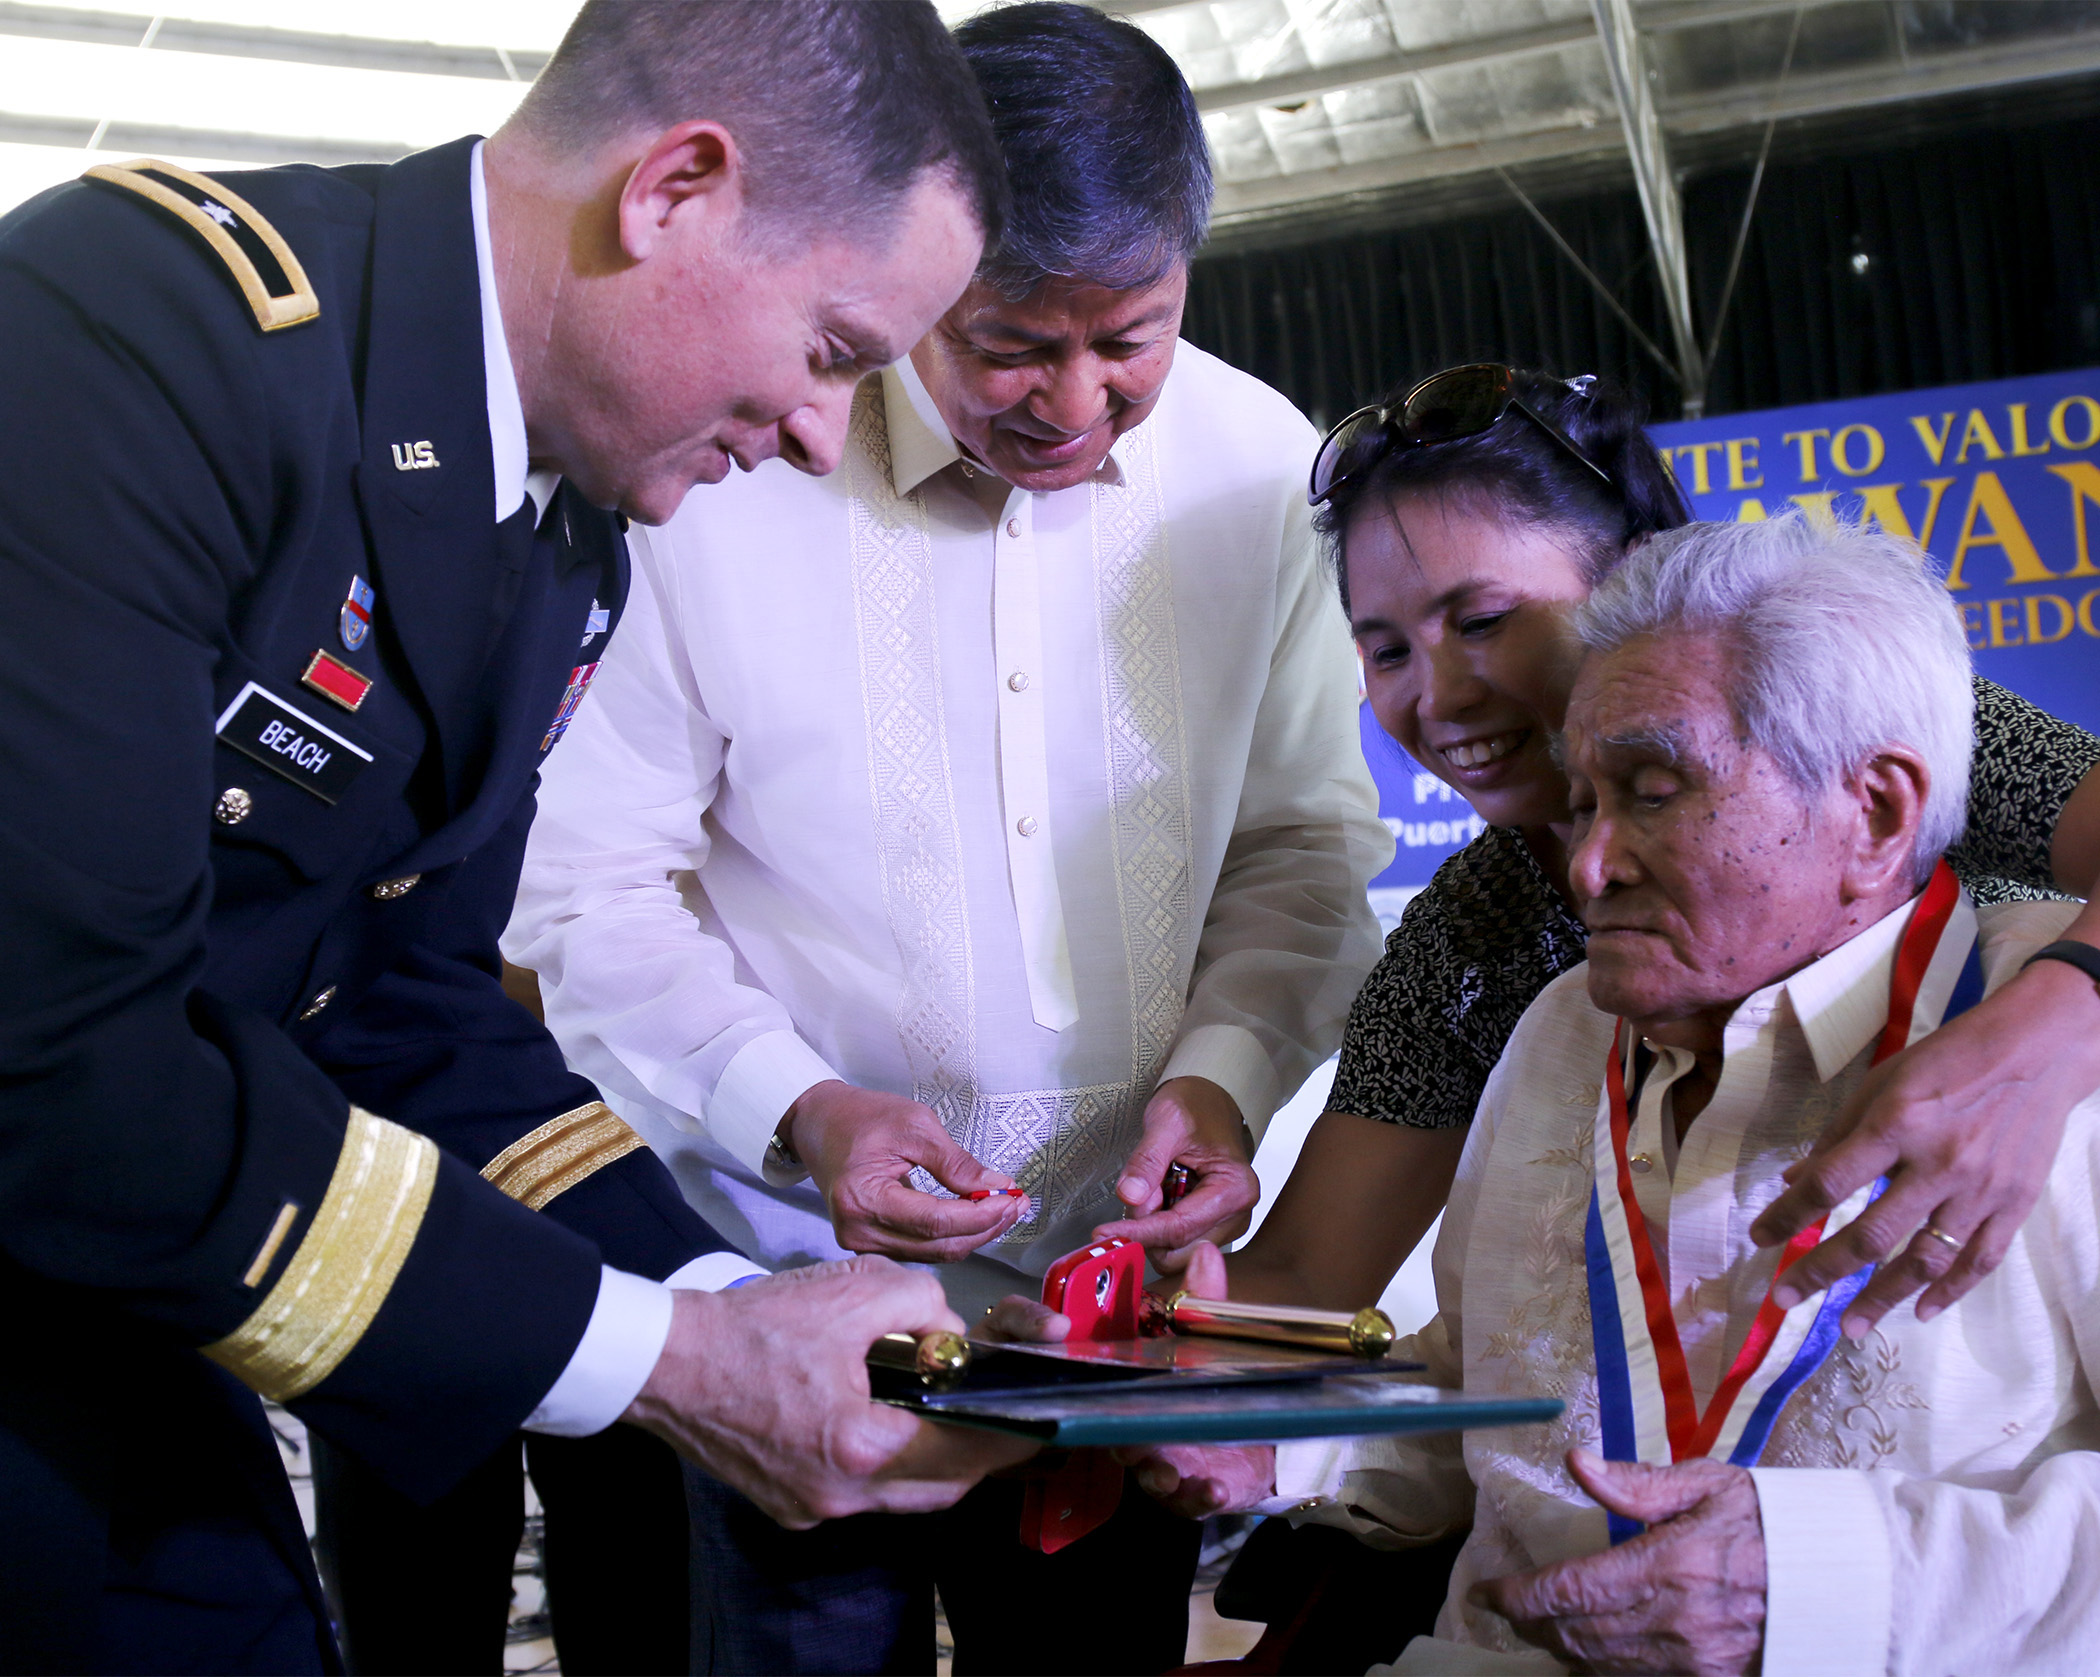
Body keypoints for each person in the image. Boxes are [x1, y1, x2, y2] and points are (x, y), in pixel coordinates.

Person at [0, 4, 1028, 1672]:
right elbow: (59, 1063)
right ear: (676, 189)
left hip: (124, 1304)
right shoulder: (132, 335)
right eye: (837, 349)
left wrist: (738, 1310)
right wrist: (669, 1364)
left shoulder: (559, 538)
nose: (822, 433)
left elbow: (401, 1008)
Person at [504, 6, 1389, 1671]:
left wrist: (1221, 1085)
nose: (1075, 400)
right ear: (919, 260)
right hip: (798, 1294)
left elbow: (1298, 848)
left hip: (1115, 1313)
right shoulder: (729, 460)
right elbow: (589, 887)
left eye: (1130, 338)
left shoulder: (1261, 469)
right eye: (1009, 345)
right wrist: (804, 1110)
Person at [1143, 515, 2100, 1673]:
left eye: (1651, 791)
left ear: (1879, 812)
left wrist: (1826, 1583)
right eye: (1584, 801)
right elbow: (1486, 1387)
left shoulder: (2052, 1059)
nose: (1588, 866)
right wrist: (1275, 1444)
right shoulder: (1559, 1027)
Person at [1113, 366, 2100, 1332]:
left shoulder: (1839, 724)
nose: (1438, 694)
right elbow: (1304, 1278)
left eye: (1484, 620)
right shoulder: (1471, 939)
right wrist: (1115, 1315)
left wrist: (2040, 1040)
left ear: (1635, 577)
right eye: (1387, 650)